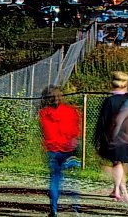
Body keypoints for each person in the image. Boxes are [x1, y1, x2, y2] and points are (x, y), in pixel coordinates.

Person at [38, 86, 81, 217]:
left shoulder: (43, 113)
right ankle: (75, 207)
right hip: (69, 149)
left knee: (55, 179)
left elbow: (44, 131)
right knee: (73, 179)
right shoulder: (71, 111)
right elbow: (75, 131)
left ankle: (54, 208)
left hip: (52, 149)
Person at [94, 71, 128, 202]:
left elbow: (103, 121)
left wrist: (97, 138)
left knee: (117, 163)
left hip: (114, 136)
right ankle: (119, 189)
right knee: (122, 163)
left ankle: (118, 190)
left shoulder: (110, 101)